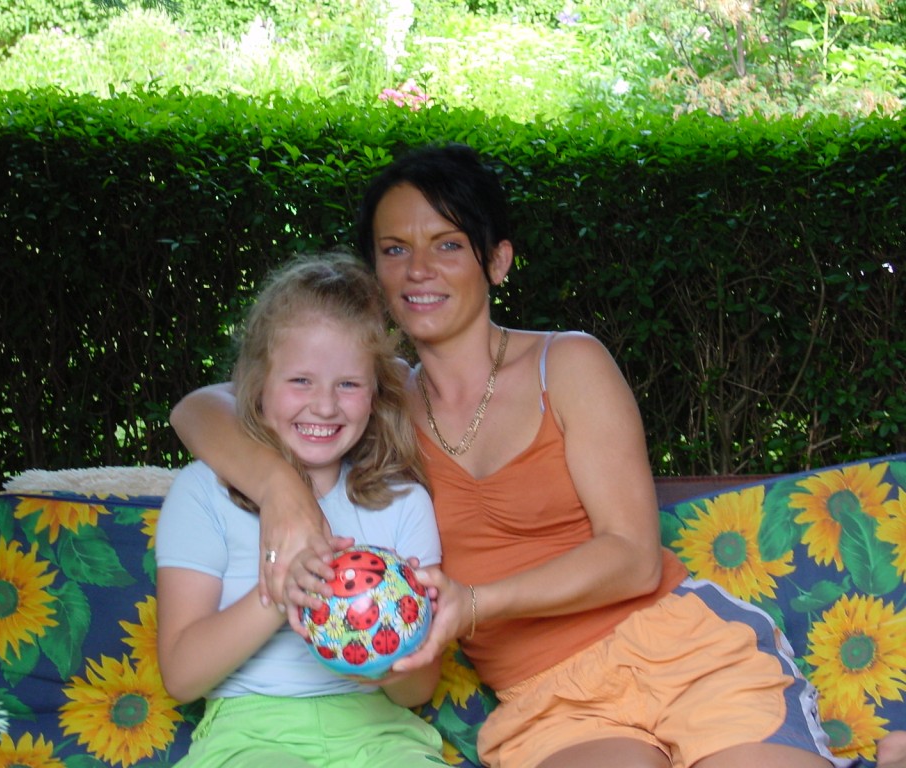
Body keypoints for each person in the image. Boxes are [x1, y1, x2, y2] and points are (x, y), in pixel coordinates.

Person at [169, 144, 886, 768]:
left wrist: (474, 604)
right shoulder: (375, 408)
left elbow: (634, 557)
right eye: (394, 250)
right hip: (552, 702)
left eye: (448, 244)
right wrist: (282, 492)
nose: (419, 269)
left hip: (679, 650)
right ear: (374, 277)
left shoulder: (567, 364)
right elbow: (199, 408)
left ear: (497, 261)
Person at [155, 252, 449, 767]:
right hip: (249, 735)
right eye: (300, 381)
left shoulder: (403, 502)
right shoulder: (203, 491)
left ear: (375, 392)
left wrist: (388, 643)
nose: (325, 405)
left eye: (348, 384)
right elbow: (180, 677)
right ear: (257, 386)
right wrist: (283, 591)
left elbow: (417, 690)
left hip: (379, 734)